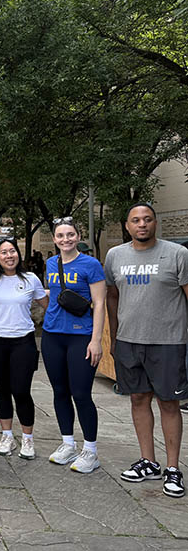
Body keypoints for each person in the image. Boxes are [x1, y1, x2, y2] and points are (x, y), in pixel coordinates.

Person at [104, 202, 188, 498]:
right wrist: (113, 339)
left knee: (168, 403)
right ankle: (148, 461)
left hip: (168, 343)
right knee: (138, 399)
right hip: (129, 342)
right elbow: (112, 298)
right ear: (127, 226)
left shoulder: (178, 254)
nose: (142, 224)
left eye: (147, 219)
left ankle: (173, 468)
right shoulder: (115, 256)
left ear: (155, 223)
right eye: (136, 220)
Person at [41, 218, 106, 474]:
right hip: (52, 334)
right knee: (59, 391)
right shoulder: (50, 263)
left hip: (81, 335)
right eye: (60, 235)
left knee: (80, 393)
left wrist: (96, 340)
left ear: (78, 236)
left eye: (70, 234)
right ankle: (68, 443)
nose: (65, 239)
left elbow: (99, 303)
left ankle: (90, 450)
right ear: (55, 239)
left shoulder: (90, 264)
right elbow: (52, 295)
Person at [0, 238, 48, 460]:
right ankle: (6, 435)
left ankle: (27, 438)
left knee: (21, 390)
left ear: (18, 254)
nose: (9, 256)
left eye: (13, 251)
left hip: (23, 342)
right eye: (4, 252)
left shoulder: (30, 279)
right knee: (2, 389)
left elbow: (49, 306)